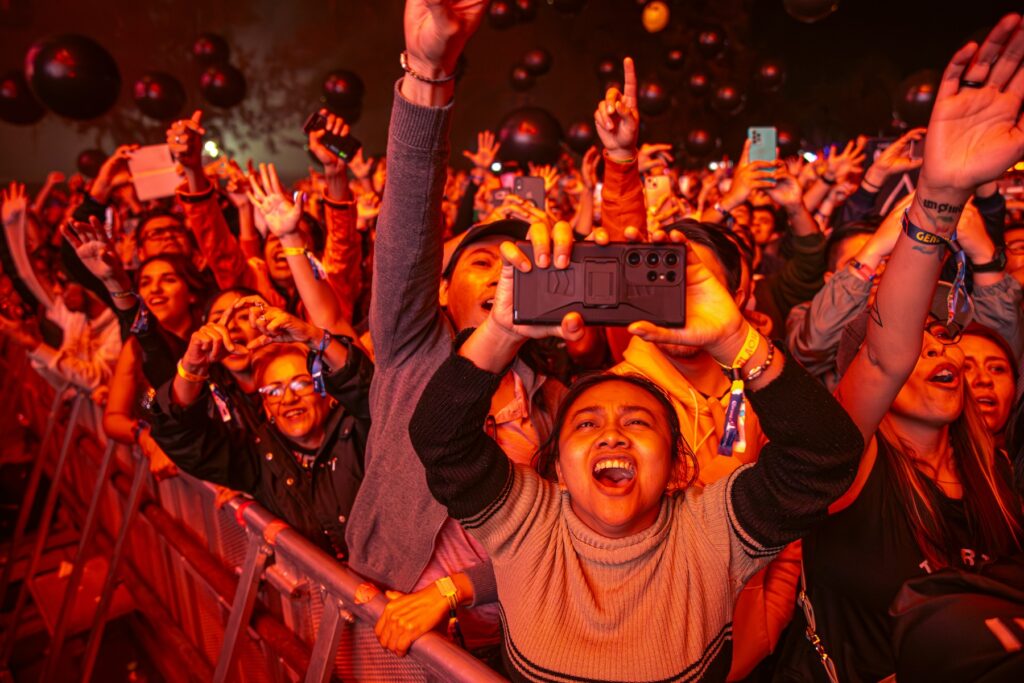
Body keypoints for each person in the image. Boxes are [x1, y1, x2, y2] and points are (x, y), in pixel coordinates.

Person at [407, 199, 864, 681]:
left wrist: (734, 339)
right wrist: (501, 331)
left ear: (676, 468)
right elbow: (440, 440)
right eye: (584, 424)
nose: (610, 435)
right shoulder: (527, 522)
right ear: (558, 468)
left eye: (638, 423)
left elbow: (826, 456)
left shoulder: (711, 532)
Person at [776, 17, 1024, 681]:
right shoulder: (849, 457)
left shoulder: (998, 469)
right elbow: (887, 354)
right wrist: (938, 201)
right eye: (922, 334)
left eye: (948, 333)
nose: (939, 346)